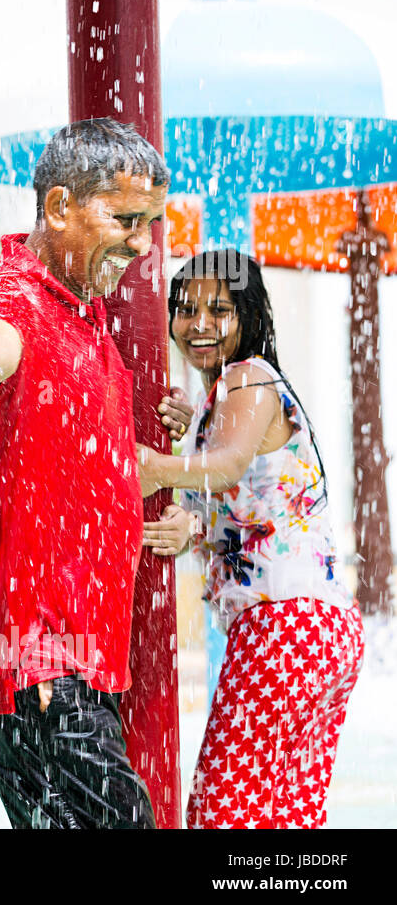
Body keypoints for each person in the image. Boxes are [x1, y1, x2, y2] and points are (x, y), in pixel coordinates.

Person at [0, 118, 190, 828]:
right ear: (57, 210)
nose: (143, 244)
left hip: (57, 658)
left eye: (151, 225)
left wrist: (168, 513)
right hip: (36, 662)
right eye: (126, 220)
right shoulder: (18, 303)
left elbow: (97, 471)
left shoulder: (83, 316)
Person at [137, 250, 364, 829]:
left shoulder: (249, 375)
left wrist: (157, 467)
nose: (200, 325)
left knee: (223, 811)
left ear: (249, 313)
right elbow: (233, 494)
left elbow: (231, 464)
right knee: (283, 817)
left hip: (281, 629)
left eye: (220, 309)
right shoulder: (238, 393)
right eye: (185, 310)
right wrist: (187, 498)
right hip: (322, 629)